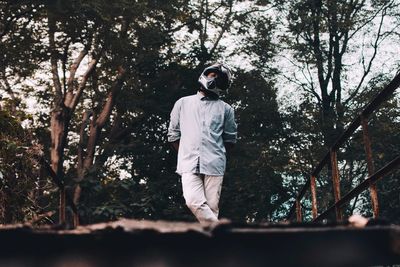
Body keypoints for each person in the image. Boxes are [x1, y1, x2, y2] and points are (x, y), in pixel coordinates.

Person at [167, 63, 237, 223]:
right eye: (212, 74)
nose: (213, 78)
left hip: (214, 165)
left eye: (217, 77)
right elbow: (173, 135)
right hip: (188, 164)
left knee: (211, 208)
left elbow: (230, 140)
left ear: (223, 84)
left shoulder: (226, 109)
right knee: (193, 201)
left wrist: (216, 155)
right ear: (204, 75)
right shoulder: (182, 103)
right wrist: (186, 153)